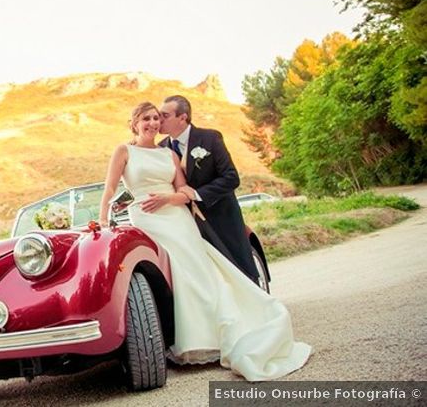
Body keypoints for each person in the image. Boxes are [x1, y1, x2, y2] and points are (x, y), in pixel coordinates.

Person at [98, 102, 311, 381]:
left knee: (195, 270)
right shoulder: (123, 151)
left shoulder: (168, 153)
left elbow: (183, 189)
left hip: (177, 217)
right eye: (146, 118)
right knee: (173, 270)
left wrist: (169, 198)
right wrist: (103, 219)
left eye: (155, 118)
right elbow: (111, 187)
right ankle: (190, 337)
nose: (152, 123)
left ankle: (213, 336)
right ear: (134, 122)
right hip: (147, 219)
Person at [158, 95, 261, 283]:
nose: (159, 120)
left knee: (238, 267)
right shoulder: (160, 149)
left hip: (221, 216)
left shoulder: (210, 138)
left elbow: (231, 177)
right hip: (186, 223)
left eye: (165, 115)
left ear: (183, 117)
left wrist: (197, 194)